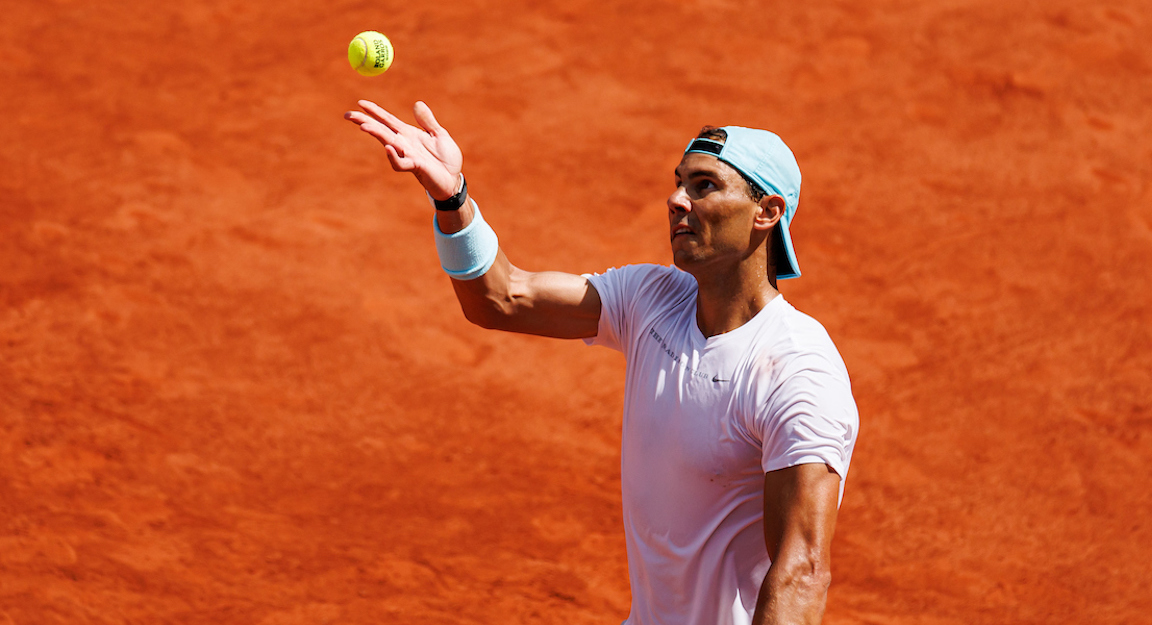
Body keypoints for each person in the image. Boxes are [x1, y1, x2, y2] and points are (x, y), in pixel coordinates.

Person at [344, 100, 859, 625]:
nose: (676, 199)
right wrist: (451, 197)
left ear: (766, 213)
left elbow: (801, 569)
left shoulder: (797, 373)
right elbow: (501, 298)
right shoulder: (652, 299)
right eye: (679, 182)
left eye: (704, 186)